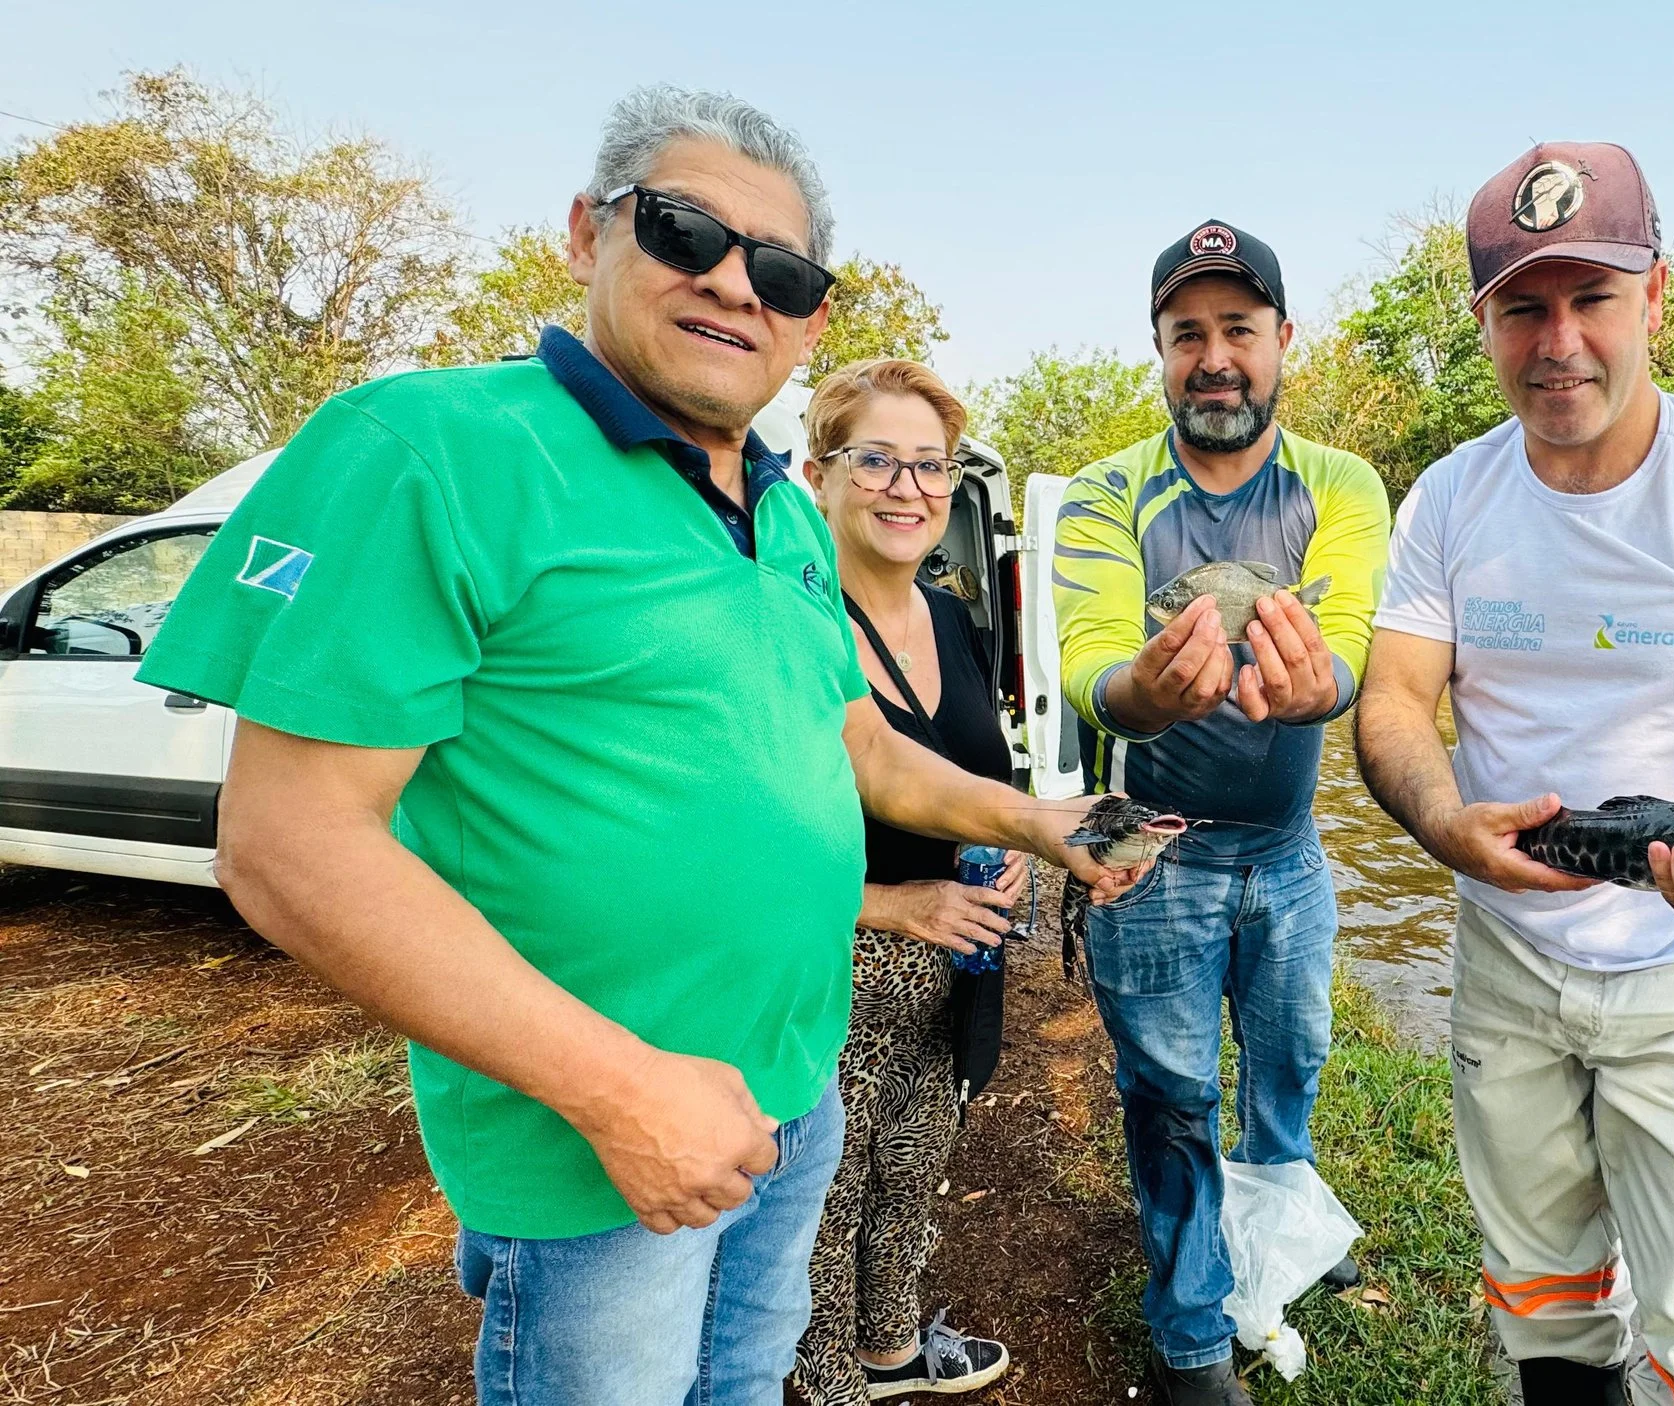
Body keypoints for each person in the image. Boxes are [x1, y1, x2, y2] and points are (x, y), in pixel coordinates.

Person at [134, 87, 1144, 1406]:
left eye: (779, 269)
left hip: (792, 1098)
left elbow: (869, 757)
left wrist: (1043, 822)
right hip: (599, 1154)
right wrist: (619, 1092)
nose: (733, 283)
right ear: (586, 231)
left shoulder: (782, 517)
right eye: (684, 230)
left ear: (810, 318)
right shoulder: (428, 447)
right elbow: (289, 842)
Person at [1354, 143, 1674, 1406]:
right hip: (1510, 958)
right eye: (1524, 305)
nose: (1558, 341)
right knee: (1540, 1292)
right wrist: (1441, 820)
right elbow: (1391, 702)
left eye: (1590, 298)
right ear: (1484, 321)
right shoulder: (1446, 498)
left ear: (1653, 299)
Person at [1051, 220, 1392, 1405]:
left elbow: (1342, 639)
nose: (1215, 357)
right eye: (1186, 333)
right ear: (1157, 349)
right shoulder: (1102, 494)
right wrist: (1140, 692)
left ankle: (1282, 1226)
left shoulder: (1341, 483)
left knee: (1290, 1062)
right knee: (1169, 1092)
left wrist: (1324, 684)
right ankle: (1192, 1329)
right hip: (1151, 850)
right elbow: (1095, 658)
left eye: (1237, 329)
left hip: (1287, 847)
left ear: (1281, 340)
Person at [786, 360, 1017, 1403]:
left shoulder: (957, 619)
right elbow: (744, 842)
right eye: (875, 458)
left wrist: (1013, 847)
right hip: (832, 960)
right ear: (816, 472)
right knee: (819, 1194)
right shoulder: (791, 630)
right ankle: (823, 1378)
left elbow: (982, 780)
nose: (907, 487)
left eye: (931, 465)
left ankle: (887, 1349)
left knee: (914, 1160)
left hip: (952, 960)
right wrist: (889, 906)